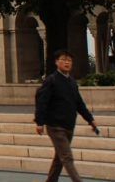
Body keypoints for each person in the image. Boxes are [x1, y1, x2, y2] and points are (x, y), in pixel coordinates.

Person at [35, 49, 97, 182]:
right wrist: (39, 122)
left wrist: (90, 120)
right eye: (63, 60)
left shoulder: (72, 82)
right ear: (57, 62)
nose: (67, 62)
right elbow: (42, 102)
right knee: (67, 157)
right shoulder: (51, 81)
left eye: (69, 60)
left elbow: (79, 104)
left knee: (60, 158)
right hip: (55, 126)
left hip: (68, 125)